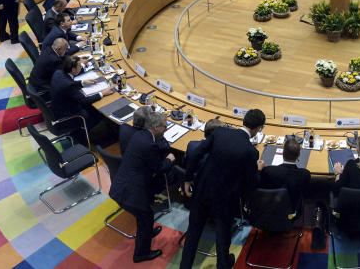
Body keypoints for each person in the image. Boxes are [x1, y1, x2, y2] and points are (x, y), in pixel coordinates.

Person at [180, 109, 267, 269]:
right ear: (257, 129)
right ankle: (223, 265)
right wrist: (258, 170)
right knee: (222, 238)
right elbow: (251, 183)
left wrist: (187, 180)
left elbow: (195, 154)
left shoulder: (220, 133)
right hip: (225, 200)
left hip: (202, 191)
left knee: (192, 235)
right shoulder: (251, 152)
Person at [111, 110, 176, 263]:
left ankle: (147, 232)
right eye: (165, 127)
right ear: (155, 127)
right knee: (146, 217)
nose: (166, 130)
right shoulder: (149, 144)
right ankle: (141, 254)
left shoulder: (140, 136)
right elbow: (159, 168)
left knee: (144, 218)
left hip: (122, 186)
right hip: (131, 193)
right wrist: (169, 159)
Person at [49, 55, 113, 147]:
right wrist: (102, 93)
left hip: (56, 110)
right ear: (73, 69)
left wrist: (83, 82)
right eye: (79, 66)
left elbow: (68, 82)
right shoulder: (69, 86)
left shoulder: (58, 73)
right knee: (101, 111)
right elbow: (84, 100)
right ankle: (84, 135)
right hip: (68, 115)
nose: (82, 66)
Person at [258, 137, 310, 210]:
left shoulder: (268, 171)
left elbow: (255, 184)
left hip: (269, 210)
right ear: (298, 155)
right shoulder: (304, 174)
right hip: (291, 212)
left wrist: (259, 170)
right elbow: (306, 193)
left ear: (282, 153)